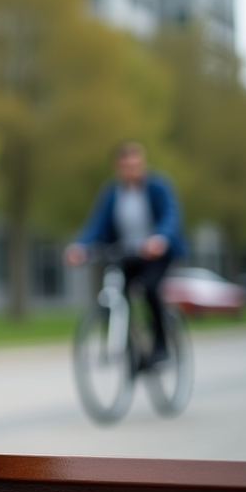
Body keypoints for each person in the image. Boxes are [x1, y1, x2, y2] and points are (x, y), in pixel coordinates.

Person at [64, 141, 186, 363]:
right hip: (126, 254)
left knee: (150, 289)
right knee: (118, 293)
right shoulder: (112, 193)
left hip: (155, 253)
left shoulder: (158, 187)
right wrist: (80, 246)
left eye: (137, 164)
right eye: (127, 166)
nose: (133, 170)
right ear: (118, 167)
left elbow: (170, 216)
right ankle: (131, 347)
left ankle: (161, 345)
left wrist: (159, 238)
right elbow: (97, 223)